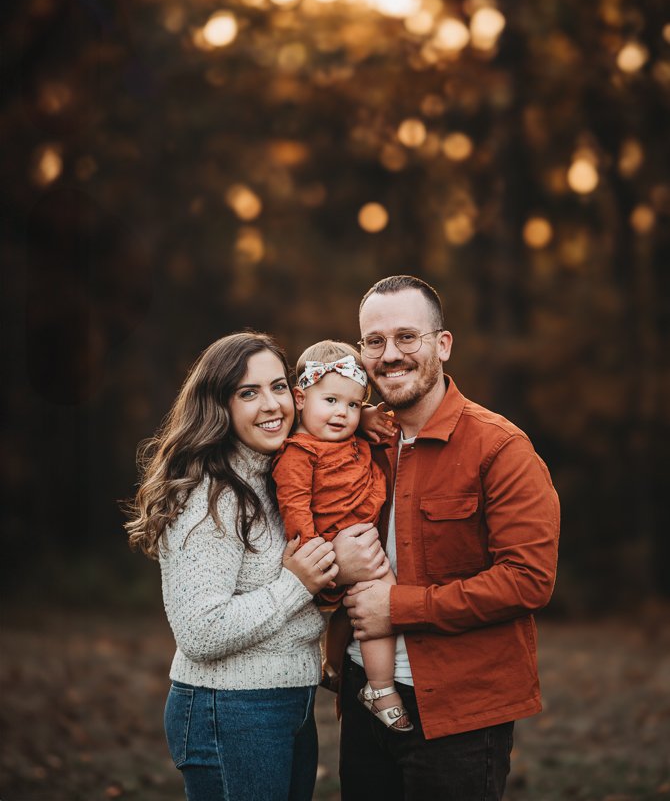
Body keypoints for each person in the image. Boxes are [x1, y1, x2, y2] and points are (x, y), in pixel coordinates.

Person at [331, 275, 560, 801]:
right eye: (374, 341)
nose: (390, 355)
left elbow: (528, 581)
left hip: (459, 714)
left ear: (443, 344)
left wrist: (401, 607)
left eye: (407, 337)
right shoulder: (357, 438)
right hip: (364, 697)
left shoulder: (500, 449)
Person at [124, 331, 340, 801]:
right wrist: (296, 585)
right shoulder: (209, 495)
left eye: (279, 386)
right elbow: (200, 631)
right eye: (249, 392)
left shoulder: (276, 477)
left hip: (289, 703)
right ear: (218, 405)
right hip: (231, 709)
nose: (272, 405)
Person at [272, 340, 412, 732]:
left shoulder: (351, 439)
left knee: (360, 612)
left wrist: (365, 415)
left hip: (361, 542)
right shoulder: (298, 454)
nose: (342, 413)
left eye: (352, 405)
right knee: (379, 603)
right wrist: (318, 556)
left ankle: (334, 666)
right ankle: (381, 688)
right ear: (300, 398)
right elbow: (296, 507)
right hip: (330, 552)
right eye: (331, 400)